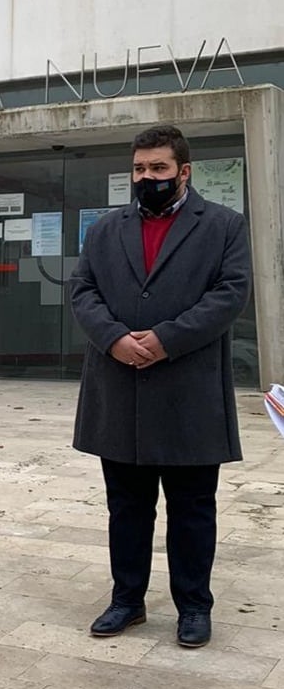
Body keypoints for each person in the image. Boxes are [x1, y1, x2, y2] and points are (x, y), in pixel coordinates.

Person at [70, 125, 252, 649]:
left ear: (184, 171)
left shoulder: (223, 226)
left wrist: (166, 339)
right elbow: (83, 291)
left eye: (158, 169)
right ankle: (127, 600)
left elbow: (230, 294)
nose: (147, 178)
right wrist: (113, 339)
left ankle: (194, 606)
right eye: (139, 169)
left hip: (188, 392)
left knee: (193, 509)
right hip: (119, 386)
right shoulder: (106, 229)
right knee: (126, 507)